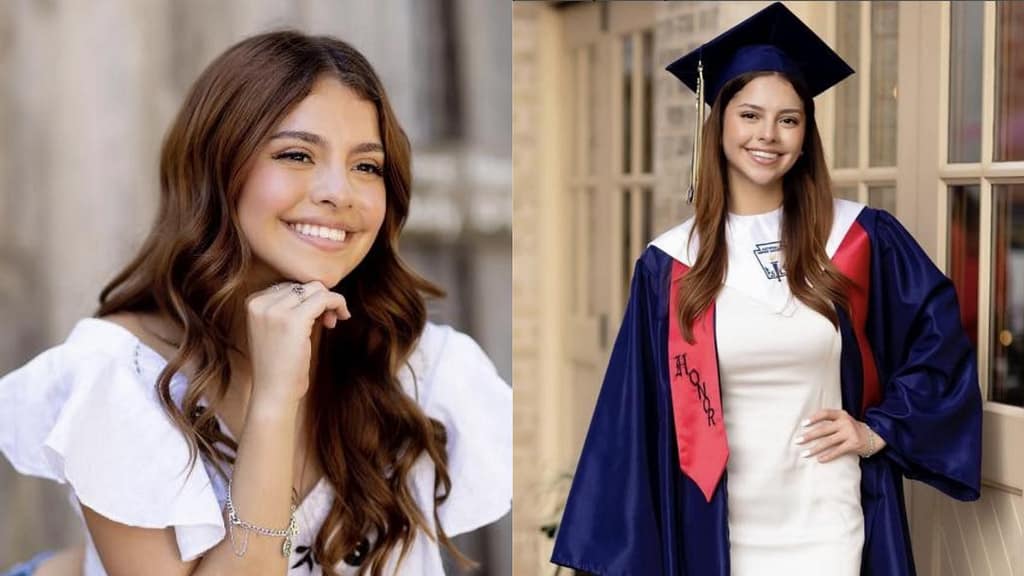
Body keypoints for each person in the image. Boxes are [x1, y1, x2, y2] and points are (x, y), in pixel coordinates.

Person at [0, 30, 511, 576]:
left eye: (367, 166)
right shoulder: (119, 379)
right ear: (218, 168)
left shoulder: (427, 372)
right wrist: (275, 403)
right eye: (296, 154)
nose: (339, 191)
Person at [550, 3, 981, 575]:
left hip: (829, 521)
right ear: (721, 121)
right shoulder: (672, 264)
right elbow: (633, 424)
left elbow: (941, 341)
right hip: (717, 529)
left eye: (788, 119)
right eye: (750, 114)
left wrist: (878, 431)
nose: (768, 135)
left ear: (806, 135)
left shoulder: (856, 238)